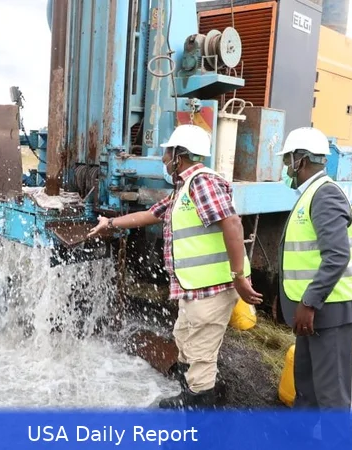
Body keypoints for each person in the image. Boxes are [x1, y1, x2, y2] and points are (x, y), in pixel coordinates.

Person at [88, 124, 263, 410]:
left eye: (167, 152)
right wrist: (110, 223)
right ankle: (189, 397)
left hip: (212, 288)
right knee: (184, 340)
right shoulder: (184, 188)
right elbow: (151, 214)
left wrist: (239, 276)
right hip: (194, 287)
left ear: (179, 155)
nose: (163, 158)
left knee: (200, 354)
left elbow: (232, 223)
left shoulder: (202, 183)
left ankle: (199, 415)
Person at [276, 127, 352, 444]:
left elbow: (337, 255)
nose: (285, 168)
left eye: (287, 161)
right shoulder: (311, 193)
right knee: (307, 385)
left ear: (300, 161)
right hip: (314, 313)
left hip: (331, 310)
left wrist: (309, 302)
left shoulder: (325, 194)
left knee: (331, 396)